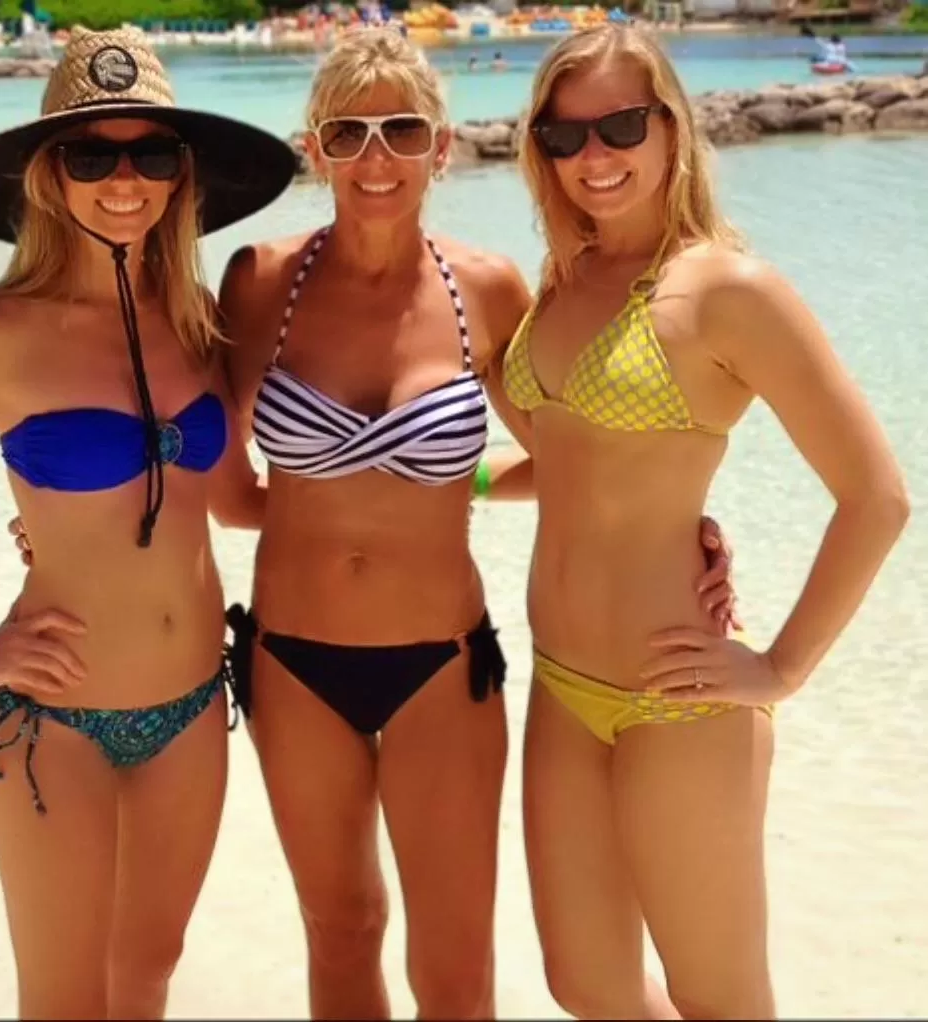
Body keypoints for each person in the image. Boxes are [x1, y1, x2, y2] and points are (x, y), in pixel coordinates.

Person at [214, 27, 735, 1021]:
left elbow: (575, 455)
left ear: (442, 148)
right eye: (347, 133)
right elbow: (220, 480)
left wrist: (678, 521)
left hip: (441, 669)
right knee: (340, 931)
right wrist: (63, 530)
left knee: (455, 971)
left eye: (402, 131)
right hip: (289, 661)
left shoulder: (487, 289)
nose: (376, 157)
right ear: (314, 148)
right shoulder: (260, 281)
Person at [0, 26, 296, 1021]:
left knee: (146, 981)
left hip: (194, 708)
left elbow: (235, 500)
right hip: (57, 725)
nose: (125, 182)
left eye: (151, 154)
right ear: (48, 174)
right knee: (64, 1002)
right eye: (91, 156)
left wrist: (420, 488)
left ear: (181, 175)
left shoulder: (198, 319)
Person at [493, 23, 908, 1020]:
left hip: (678, 698)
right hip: (561, 686)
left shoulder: (728, 289)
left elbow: (876, 496)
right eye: (564, 135)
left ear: (672, 128)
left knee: (717, 997)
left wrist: (782, 667)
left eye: (621, 126)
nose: (594, 155)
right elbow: (572, 464)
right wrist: (432, 482)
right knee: (586, 983)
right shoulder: (563, 277)